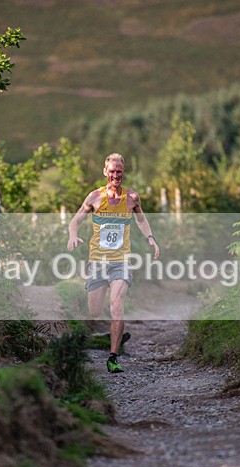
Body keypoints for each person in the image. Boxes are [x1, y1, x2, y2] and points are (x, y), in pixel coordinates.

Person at [67, 153, 160, 373]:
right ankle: (98, 339)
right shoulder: (94, 197)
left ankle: (113, 357)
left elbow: (141, 219)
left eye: (119, 172)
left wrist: (151, 238)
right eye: (112, 172)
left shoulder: (132, 198)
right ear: (105, 172)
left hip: (122, 261)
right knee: (95, 311)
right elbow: (75, 220)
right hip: (98, 261)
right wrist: (73, 235)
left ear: (123, 172)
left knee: (116, 307)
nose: (116, 175)